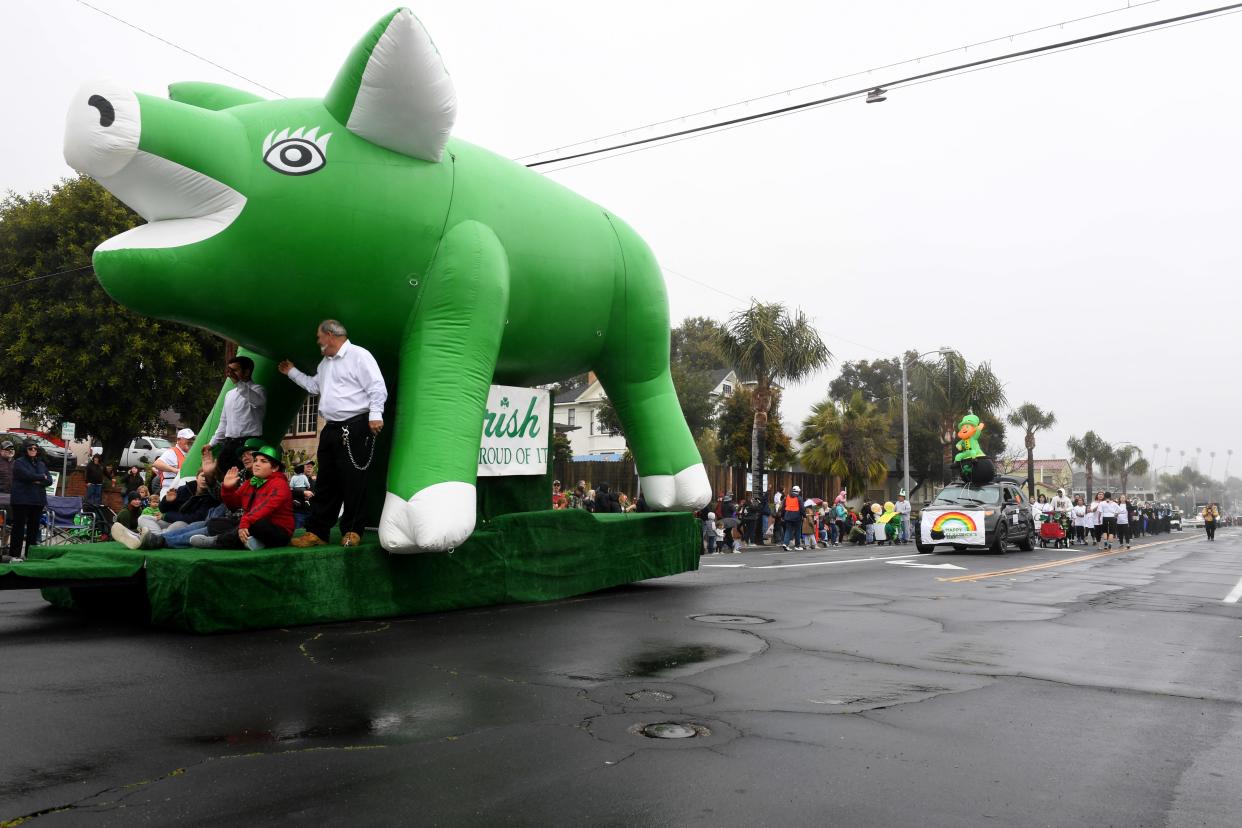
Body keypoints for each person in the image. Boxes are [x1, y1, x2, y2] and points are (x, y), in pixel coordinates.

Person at [280, 320, 388, 548]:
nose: (318, 342)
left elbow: (377, 386)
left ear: (330, 335)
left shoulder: (359, 355)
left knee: (354, 480)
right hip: (331, 428)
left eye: (319, 337)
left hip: (356, 426)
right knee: (326, 482)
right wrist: (291, 372)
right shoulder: (325, 363)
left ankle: (353, 530)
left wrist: (375, 414)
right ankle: (317, 532)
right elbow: (313, 386)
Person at [193, 446, 294, 550]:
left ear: (274, 468)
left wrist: (245, 522)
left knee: (257, 523)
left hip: (278, 531)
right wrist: (227, 488)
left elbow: (265, 507)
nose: (256, 464)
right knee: (215, 523)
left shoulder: (280, 484)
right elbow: (233, 505)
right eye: (255, 460)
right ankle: (255, 542)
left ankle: (217, 541)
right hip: (252, 524)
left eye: (263, 461)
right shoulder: (250, 483)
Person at [209, 355, 267, 473]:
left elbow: (257, 401)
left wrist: (238, 382)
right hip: (229, 442)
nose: (231, 374)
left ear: (246, 372)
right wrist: (212, 443)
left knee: (245, 476)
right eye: (229, 370)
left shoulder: (258, 390)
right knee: (222, 472)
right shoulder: (229, 394)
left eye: (234, 370)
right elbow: (224, 422)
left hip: (248, 443)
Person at [3, 440, 53, 562]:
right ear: (25, 449)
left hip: (37, 500)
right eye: (30, 448)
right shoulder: (19, 462)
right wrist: (41, 477)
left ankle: (30, 555)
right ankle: (14, 555)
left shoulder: (41, 463)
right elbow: (26, 475)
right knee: (18, 529)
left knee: (34, 529)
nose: (33, 450)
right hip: (22, 500)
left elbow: (50, 480)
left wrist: (37, 479)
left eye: (35, 448)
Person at [152, 428, 195, 496]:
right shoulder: (172, 452)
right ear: (178, 440)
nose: (190, 441)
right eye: (188, 439)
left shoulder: (190, 453)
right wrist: (175, 470)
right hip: (170, 491)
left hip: (183, 492)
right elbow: (156, 464)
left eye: (192, 439)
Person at [779, 486, 804, 551]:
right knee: (797, 531)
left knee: (788, 530)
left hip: (787, 516)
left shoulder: (787, 497)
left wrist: (782, 516)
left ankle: (785, 544)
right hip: (797, 516)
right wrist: (804, 515)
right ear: (798, 491)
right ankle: (797, 546)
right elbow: (802, 508)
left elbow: (783, 507)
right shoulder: (799, 498)